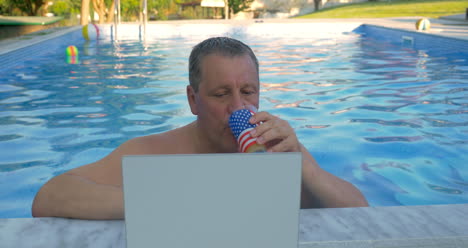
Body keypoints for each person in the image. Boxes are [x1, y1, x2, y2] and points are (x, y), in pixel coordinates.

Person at [32, 37, 368, 219]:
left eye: (248, 92)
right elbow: (50, 197)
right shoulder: (156, 152)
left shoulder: (276, 148)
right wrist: (167, 202)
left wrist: (302, 164)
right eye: (221, 94)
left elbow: (361, 214)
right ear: (193, 100)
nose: (238, 107)